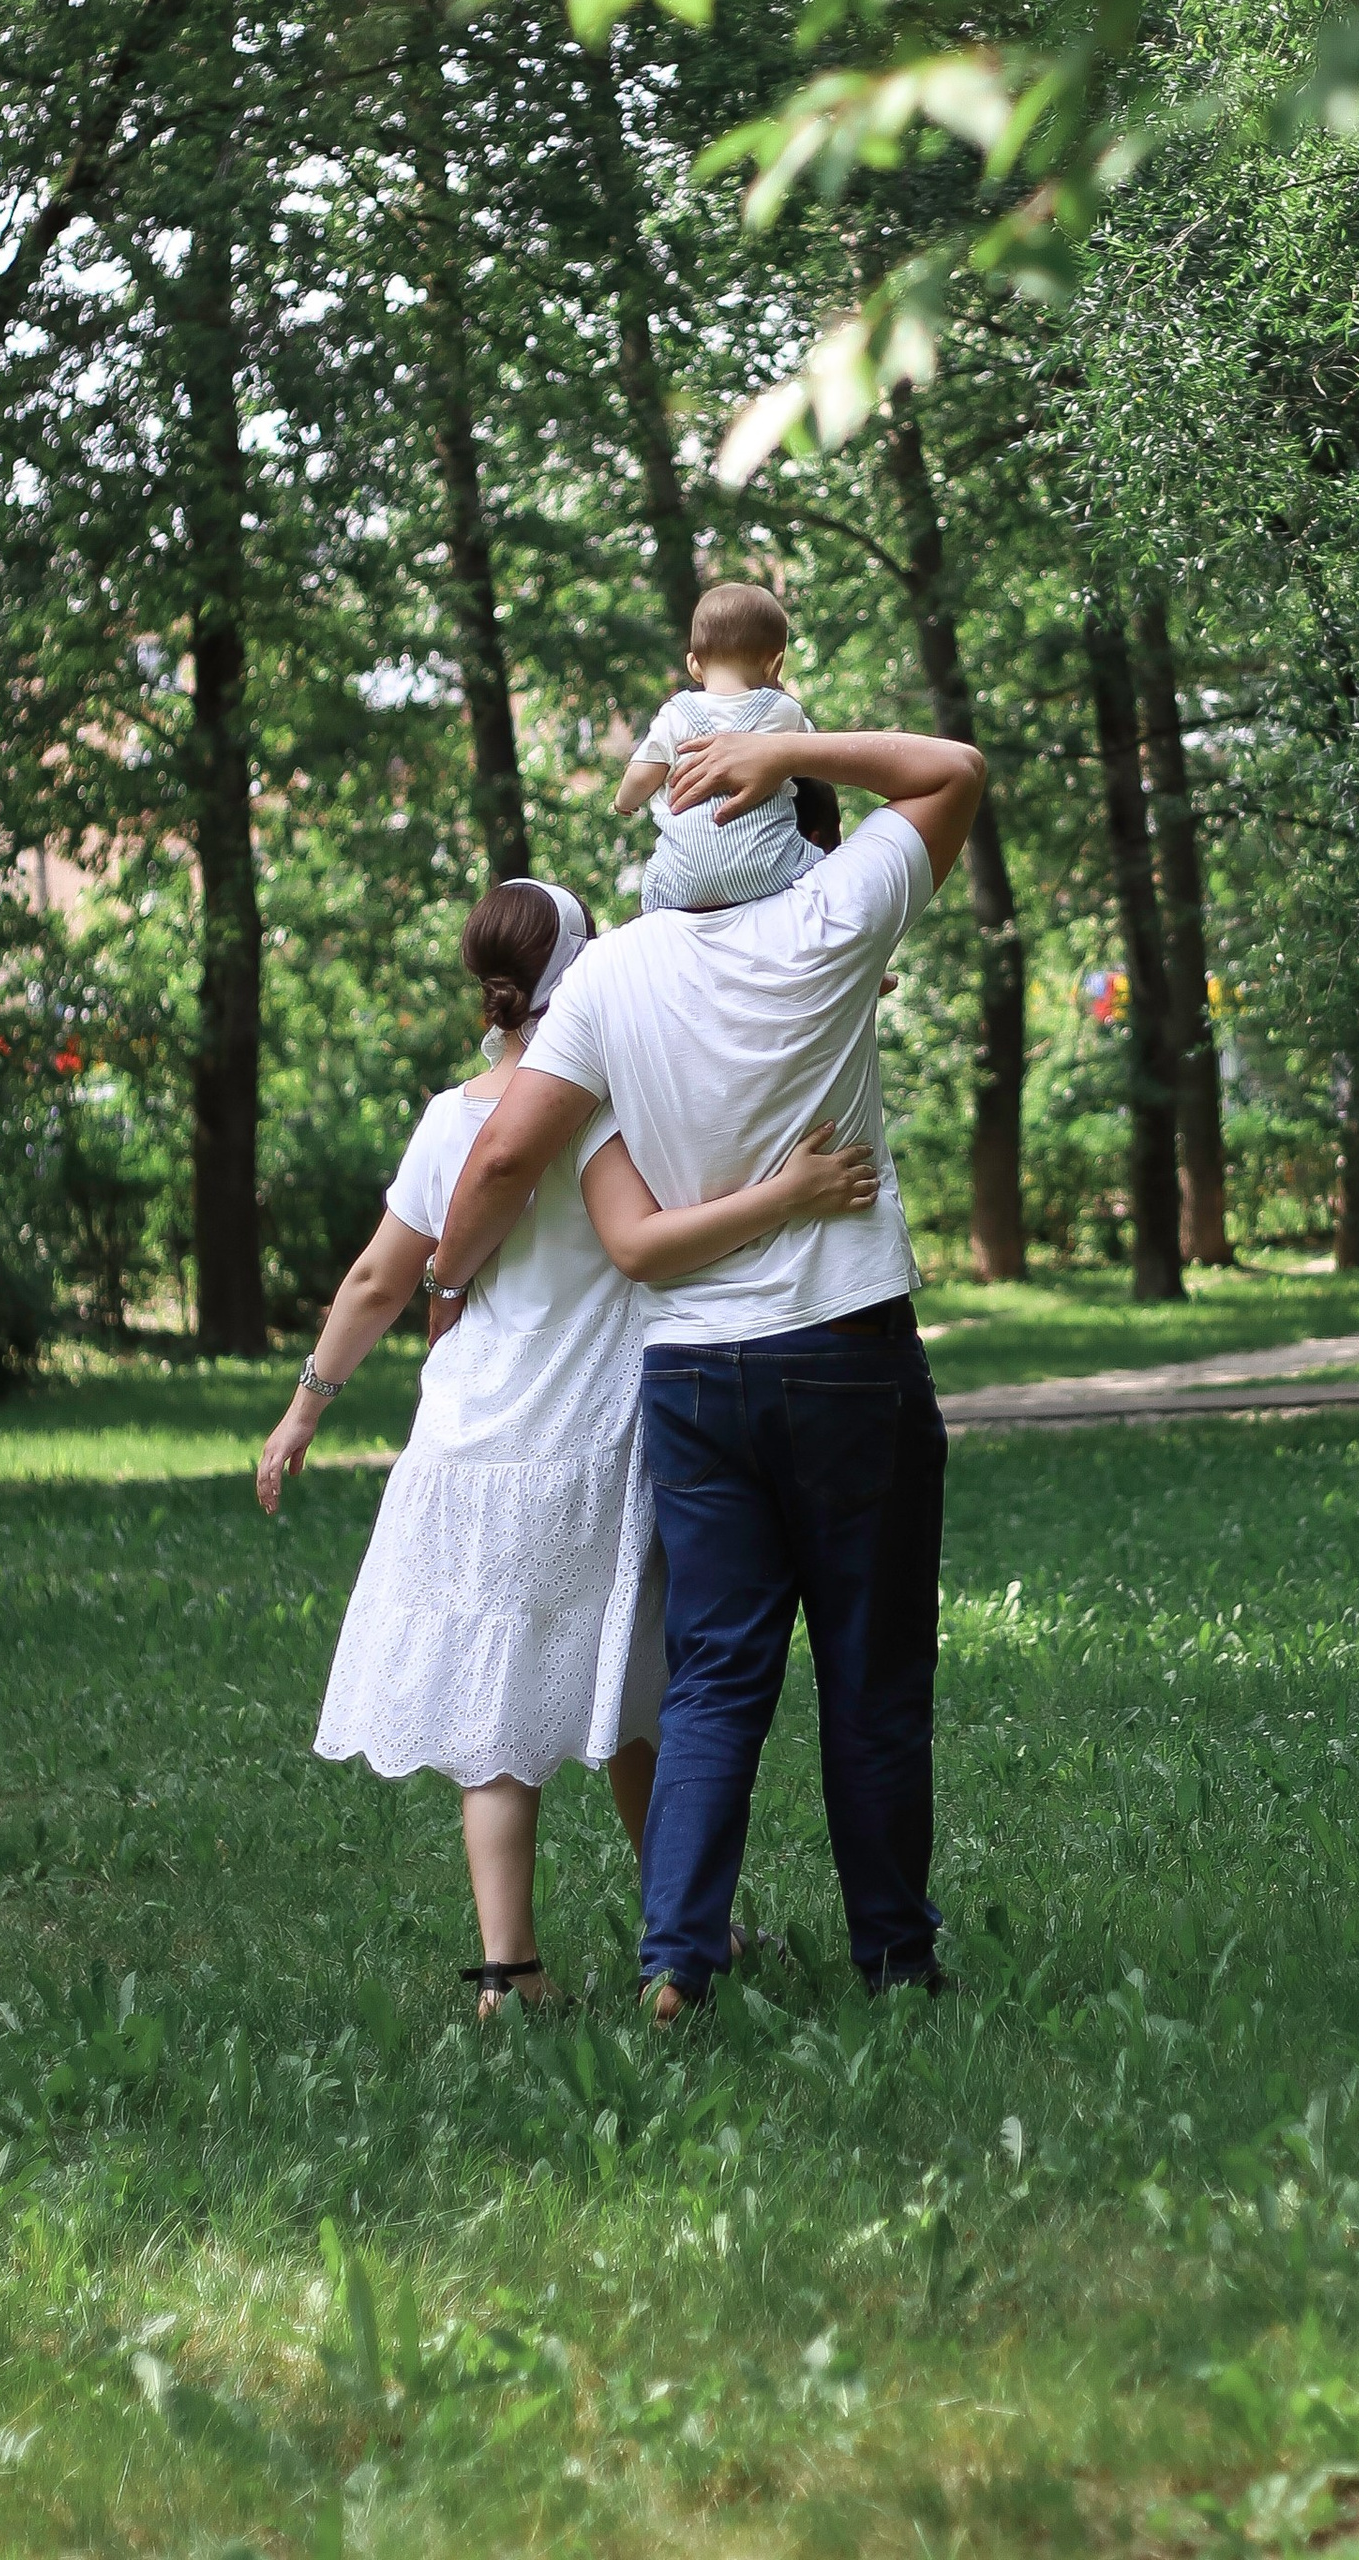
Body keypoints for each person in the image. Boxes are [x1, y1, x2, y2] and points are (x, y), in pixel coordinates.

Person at [427, 722, 986, 2017]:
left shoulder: (613, 971)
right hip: (845, 1350)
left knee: (716, 1674)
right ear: (779, 816)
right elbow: (951, 770)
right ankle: (896, 1959)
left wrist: (446, 1285)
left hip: (691, 1377)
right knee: (872, 1672)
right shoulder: (835, 917)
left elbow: (506, 1152)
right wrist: (787, 740)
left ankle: (678, 1962)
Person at [254, 876, 879, 2015]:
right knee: (644, 1696)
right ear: (577, 973)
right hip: (589, 1443)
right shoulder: (597, 1111)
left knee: (497, 1719)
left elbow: (377, 1278)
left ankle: (513, 1972)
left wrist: (305, 1409)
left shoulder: (452, 1116)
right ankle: (688, 1934)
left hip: (468, 1442)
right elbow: (648, 1244)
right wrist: (791, 1193)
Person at [618, 577, 820, 915]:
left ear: (694, 665)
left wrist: (625, 800)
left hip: (686, 883)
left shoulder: (675, 714)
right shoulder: (783, 711)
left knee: (652, 884)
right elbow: (816, 758)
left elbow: (643, 774)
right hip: (771, 871)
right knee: (824, 871)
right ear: (775, 664)